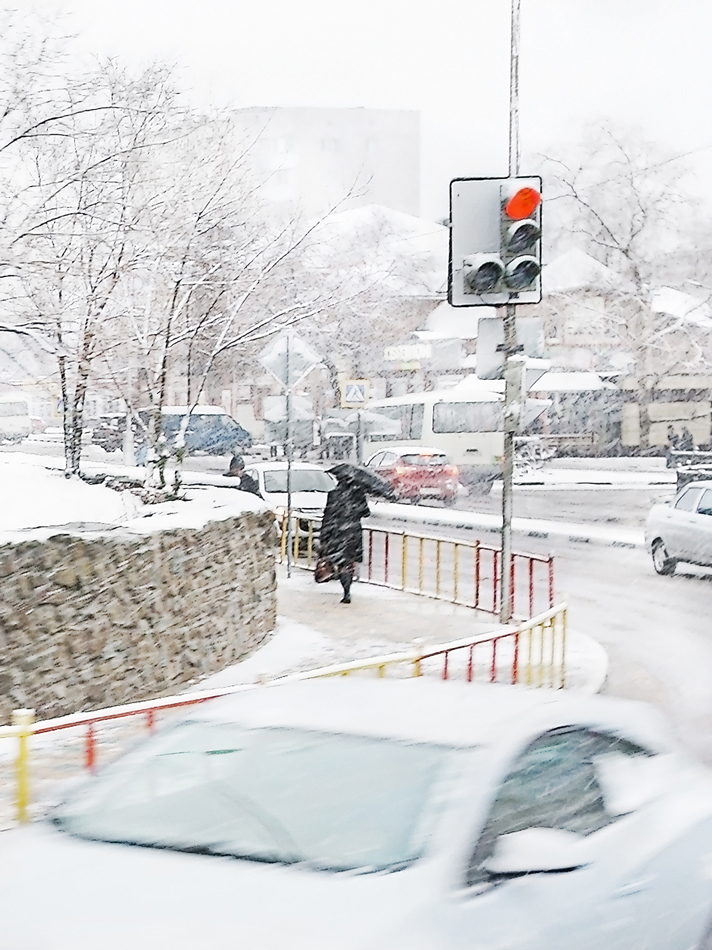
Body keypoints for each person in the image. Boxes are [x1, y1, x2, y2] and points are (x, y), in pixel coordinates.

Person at [319, 464, 395, 604]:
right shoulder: (358, 494)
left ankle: (344, 588)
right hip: (353, 532)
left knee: (341, 563)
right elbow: (365, 513)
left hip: (337, 532)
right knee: (349, 563)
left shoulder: (333, 494)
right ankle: (347, 591)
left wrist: (324, 535)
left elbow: (328, 515)